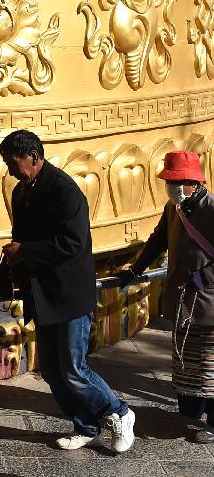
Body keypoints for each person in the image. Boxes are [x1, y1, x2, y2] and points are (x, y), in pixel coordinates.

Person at [0, 129, 136, 453]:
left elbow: (72, 243)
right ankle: (85, 424)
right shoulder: (21, 193)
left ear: (33, 156)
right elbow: (22, 240)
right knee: (50, 369)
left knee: (74, 369)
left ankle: (118, 412)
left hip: (70, 294)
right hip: (42, 295)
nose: (9, 170)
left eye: (13, 162)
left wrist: (26, 251)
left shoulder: (64, 190)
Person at [114, 150, 214, 443]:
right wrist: (135, 270)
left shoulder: (211, 209)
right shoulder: (175, 208)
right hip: (183, 301)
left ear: (193, 183)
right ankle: (191, 410)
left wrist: (203, 277)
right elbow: (157, 240)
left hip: (207, 300)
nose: (172, 187)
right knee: (187, 361)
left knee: (210, 364)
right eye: (170, 182)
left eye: (178, 182)